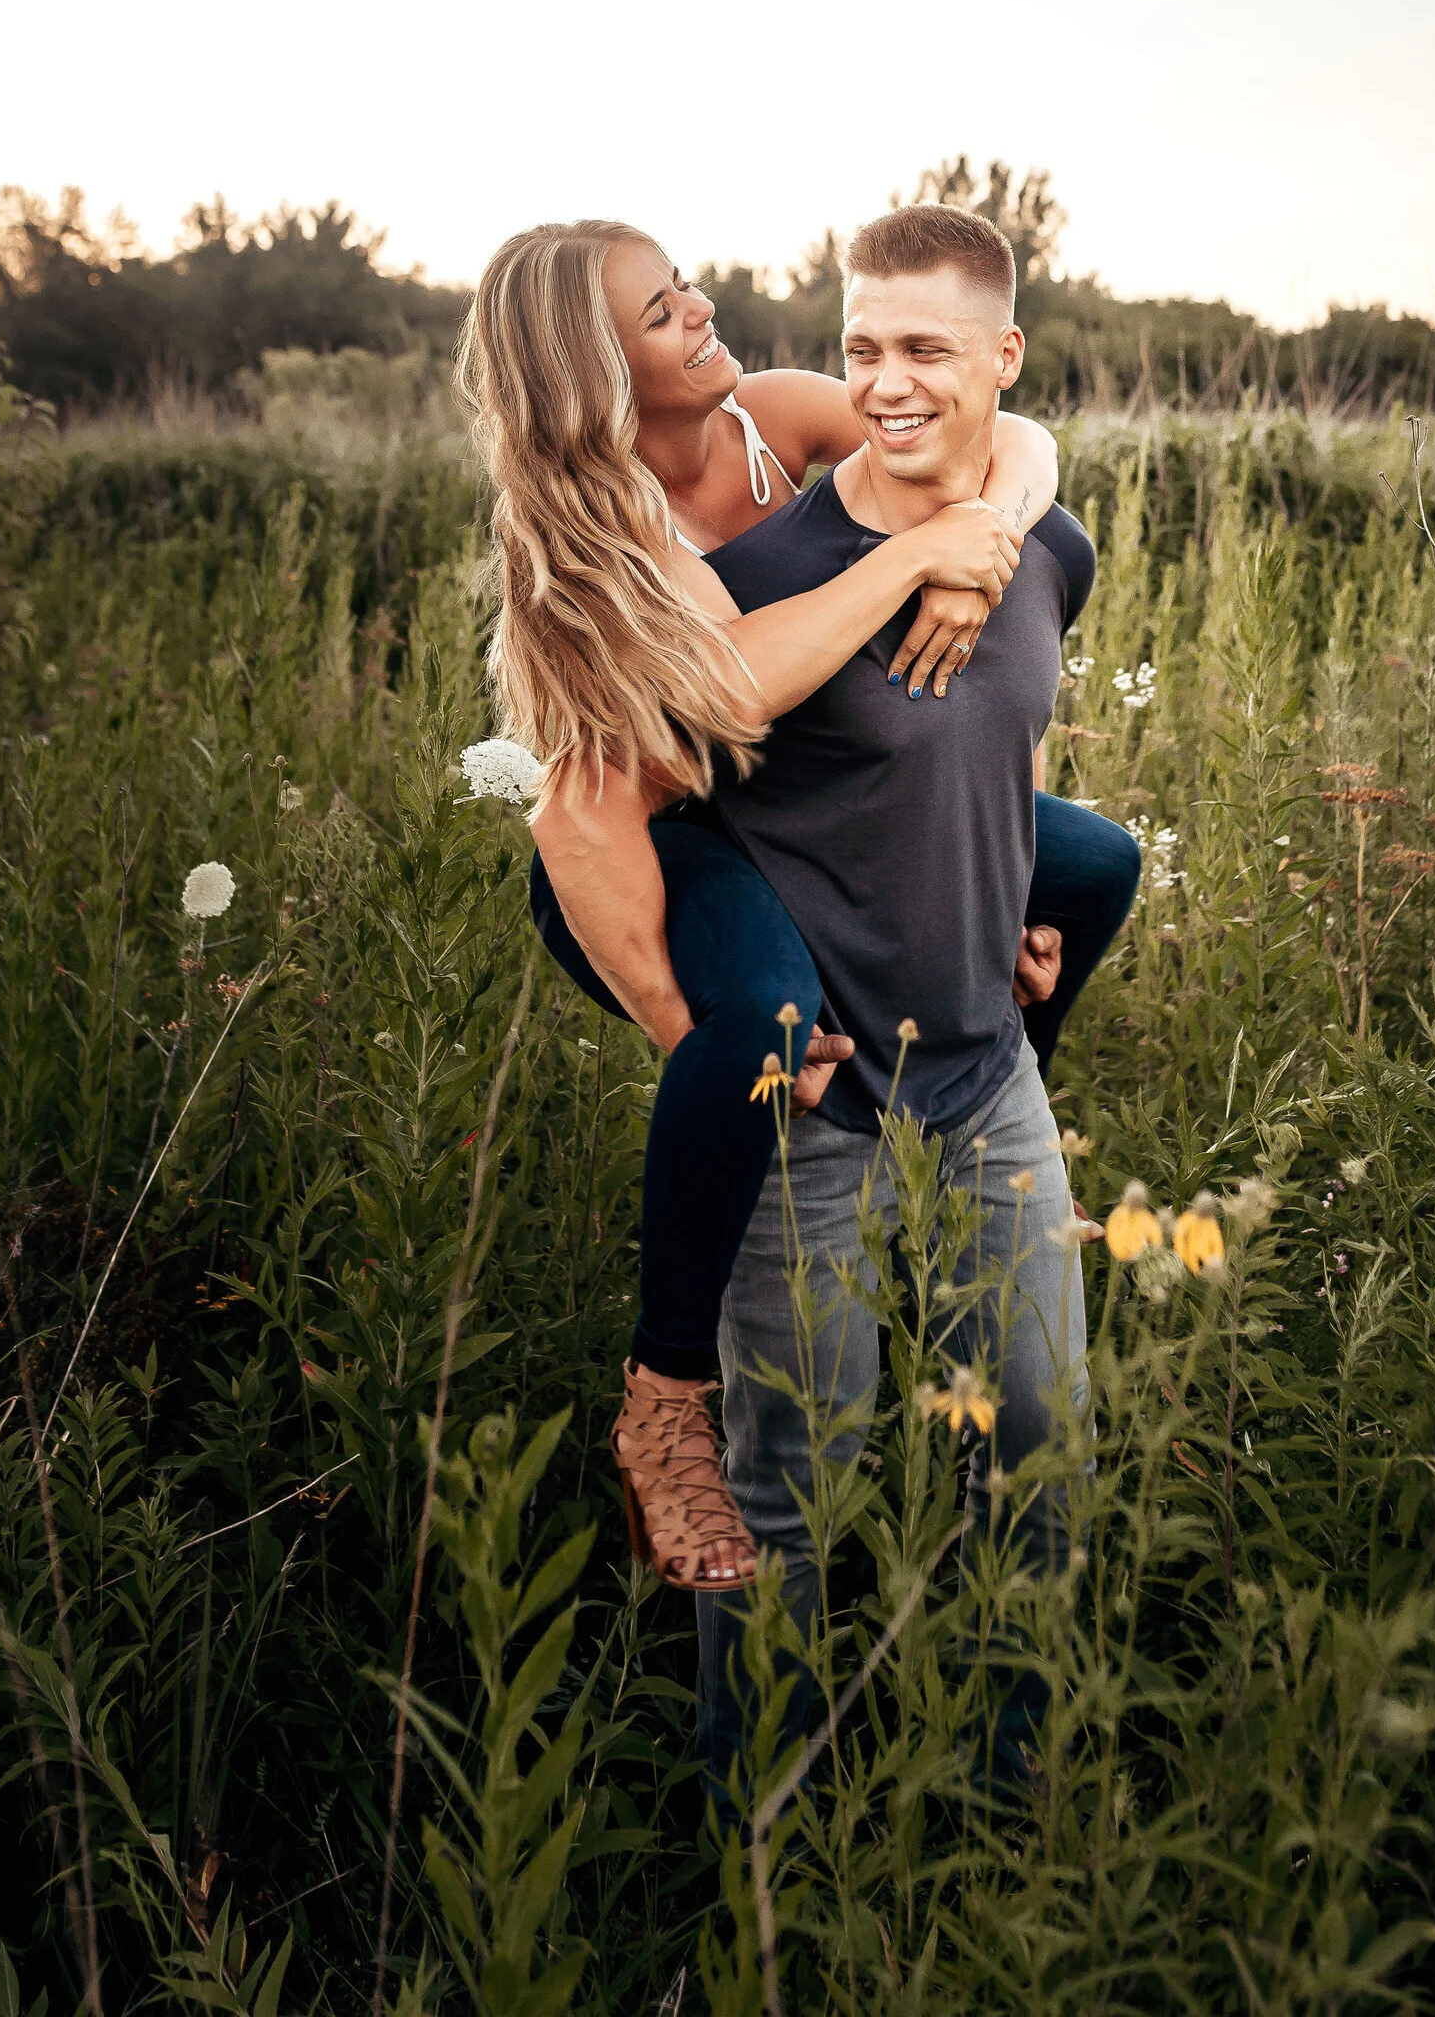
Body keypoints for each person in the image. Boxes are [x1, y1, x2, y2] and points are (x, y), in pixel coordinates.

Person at [459, 220, 1033, 1593]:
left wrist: (982, 530)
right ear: (598, 375)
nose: (704, 309)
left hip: (810, 813)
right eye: (664, 313)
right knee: (764, 1025)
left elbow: (1011, 439)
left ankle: (953, 1166)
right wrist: (691, 1037)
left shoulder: (773, 418)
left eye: (683, 284)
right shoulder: (587, 539)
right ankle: (663, 1401)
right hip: (667, 846)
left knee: (1086, 865)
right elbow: (613, 784)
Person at [691, 201, 1115, 1795]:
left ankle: (1017, 1805)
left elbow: (997, 748)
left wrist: (994, 896)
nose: (886, 383)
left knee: (1039, 1449)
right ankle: (763, 1846)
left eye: (927, 350)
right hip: (819, 1102)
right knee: (795, 1485)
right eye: (861, 347)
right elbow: (686, 805)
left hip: (989, 1075)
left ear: (1003, 359)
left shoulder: (1048, 546)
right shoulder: (772, 570)